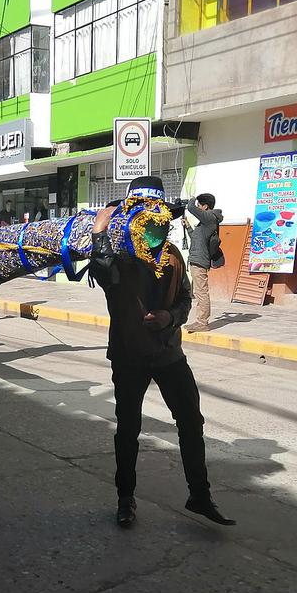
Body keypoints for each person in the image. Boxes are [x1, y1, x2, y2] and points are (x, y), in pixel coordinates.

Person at [89, 176, 234, 528]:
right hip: (129, 356)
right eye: (141, 211)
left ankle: (199, 494)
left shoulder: (173, 257)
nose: (151, 220)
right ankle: (126, 498)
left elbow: (185, 298)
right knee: (128, 428)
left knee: (190, 422)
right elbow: (103, 273)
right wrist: (99, 234)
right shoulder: (119, 257)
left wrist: (171, 316)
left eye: (156, 213)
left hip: (169, 352)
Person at [184, 193, 225, 333]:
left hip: (200, 260)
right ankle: (199, 320)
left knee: (201, 292)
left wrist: (192, 198)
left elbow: (190, 207)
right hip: (197, 258)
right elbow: (196, 239)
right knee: (198, 291)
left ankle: (202, 322)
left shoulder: (209, 218)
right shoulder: (205, 222)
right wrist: (188, 227)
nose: (198, 207)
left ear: (205, 206)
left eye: (199, 205)